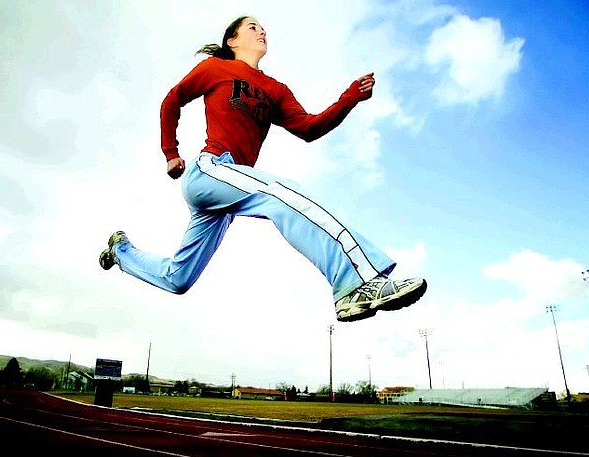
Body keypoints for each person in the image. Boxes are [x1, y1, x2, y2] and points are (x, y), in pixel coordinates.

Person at [99, 16, 427, 322]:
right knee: (280, 193)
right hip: (212, 169)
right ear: (232, 40)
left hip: (227, 197)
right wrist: (170, 152)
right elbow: (173, 99)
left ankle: (121, 251)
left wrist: (348, 99)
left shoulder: (276, 90)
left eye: (263, 28)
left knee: (179, 279)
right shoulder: (215, 68)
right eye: (252, 27)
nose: (261, 31)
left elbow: (309, 128)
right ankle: (357, 281)